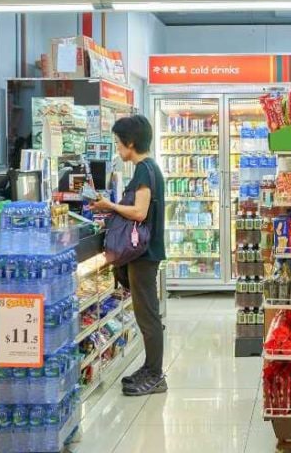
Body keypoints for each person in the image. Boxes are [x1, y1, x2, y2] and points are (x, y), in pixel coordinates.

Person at [89, 115, 167, 397]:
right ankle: (149, 368)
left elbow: (140, 212)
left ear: (130, 142)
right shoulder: (148, 168)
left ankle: (155, 375)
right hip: (144, 252)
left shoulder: (144, 170)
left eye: (118, 142)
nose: (117, 148)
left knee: (148, 316)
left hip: (144, 254)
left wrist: (109, 206)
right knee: (146, 314)